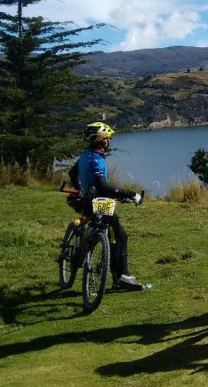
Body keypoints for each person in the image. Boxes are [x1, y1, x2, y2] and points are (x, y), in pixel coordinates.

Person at [68, 121, 145, 291]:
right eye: (108, 138)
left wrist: (80, 190)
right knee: (120, 234)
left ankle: (84, 247)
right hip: (99, 203)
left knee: (103, 230)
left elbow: (72, 173)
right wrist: (130, 194)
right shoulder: (96, 160)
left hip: (86, 201)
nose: (109, 141)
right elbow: (103, 187)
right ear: (103, 140)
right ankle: (122, 276)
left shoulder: (85, 156)